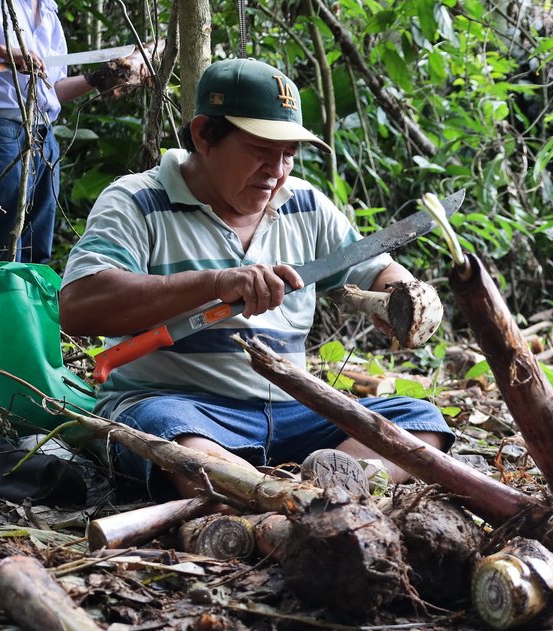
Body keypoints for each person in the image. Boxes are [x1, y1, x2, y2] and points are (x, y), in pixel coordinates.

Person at [59, 58, 453, 500]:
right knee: (167, 435)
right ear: (204, 135)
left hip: (295, 414)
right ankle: (282, 498)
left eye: (289, 154)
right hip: (185, 410)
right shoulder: (136, 200)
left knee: (419, 423)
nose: (277, 170)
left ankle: (319, 492)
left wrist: (405, 298)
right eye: (261, 150)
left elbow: (376, 270)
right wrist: (214, 284)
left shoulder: (305, 204)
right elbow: (78, 306)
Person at [0, 1, 147, 264]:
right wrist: (5, 51)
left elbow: (53, 89)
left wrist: (98, 78)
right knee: (0, 242)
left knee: (37, 243)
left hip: (44, 133)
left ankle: (31, 293)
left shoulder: (49, 12)